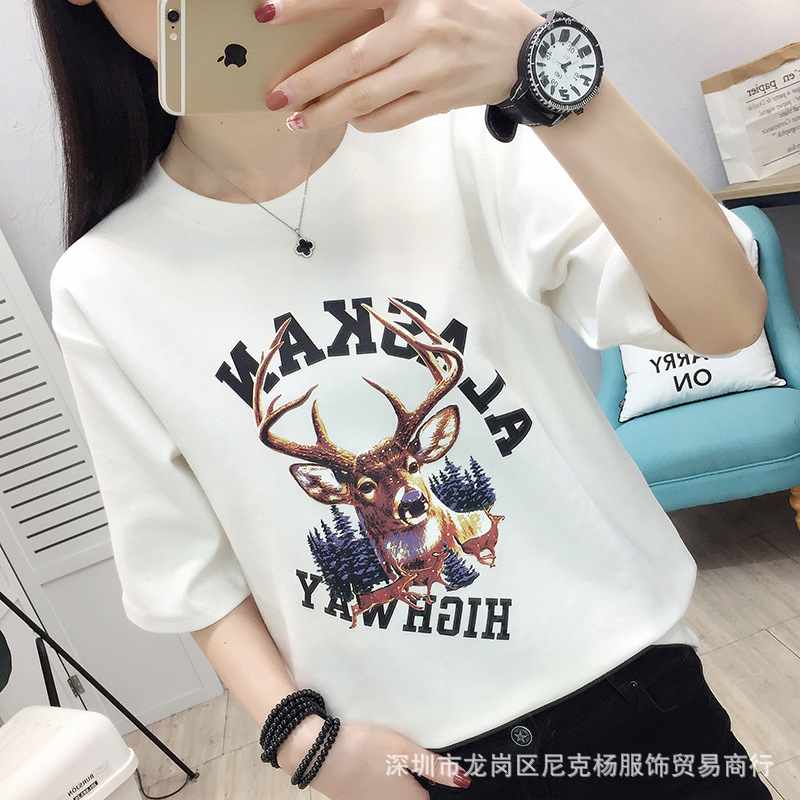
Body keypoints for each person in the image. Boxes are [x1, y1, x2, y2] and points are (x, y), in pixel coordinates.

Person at [34, 0, 772, 798]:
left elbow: (726, 317)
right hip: (416, 768)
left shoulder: (467, 133)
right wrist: (305, 744)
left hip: (636, 699)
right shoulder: (103, 286)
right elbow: (185, 573)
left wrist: (545, 68)